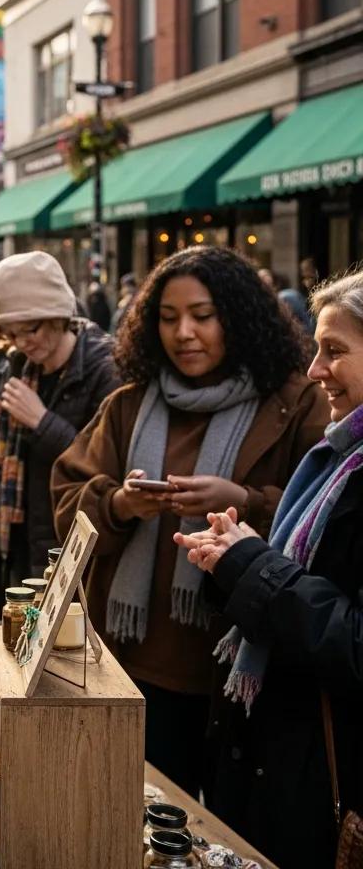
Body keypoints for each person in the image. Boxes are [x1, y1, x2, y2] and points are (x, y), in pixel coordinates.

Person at [52, 245, 328, 800]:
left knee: (222, 833)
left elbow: (322, 519)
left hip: (240, 677)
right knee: (131, 817)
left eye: (203, 316)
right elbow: (66, 503)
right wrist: (120, 505)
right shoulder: (129, 403)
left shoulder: (295, 403)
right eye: (168, 317)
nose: (184, 333)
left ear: (239, 317)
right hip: (129, 665)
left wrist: (245, 500)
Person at [172, 268, 363, 868]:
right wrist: (234, 559)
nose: (316, 369)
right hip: (276, 765)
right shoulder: (339, 455)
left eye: (335, 351)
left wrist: (254, 564)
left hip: (321, 782)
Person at [0, 252, 119, 622]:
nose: (20, 342)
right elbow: (4, 464)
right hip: (22, 543)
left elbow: (105, 469)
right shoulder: (19, 365)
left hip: (76, 548)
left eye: (30, 330)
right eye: (10, 334)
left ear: (58, 315)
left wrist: (41, 420)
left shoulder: (105, 367)